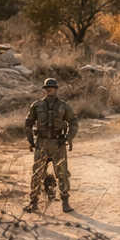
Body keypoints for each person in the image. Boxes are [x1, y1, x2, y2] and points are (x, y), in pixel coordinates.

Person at [24, 77, 77, 213]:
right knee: (37, 173)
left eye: (52, 88)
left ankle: (65, 201)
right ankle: (33, 201)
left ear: (56, 89)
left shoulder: (64, 106)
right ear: (45, 89)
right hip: (41, 143)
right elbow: (28, 123)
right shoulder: (37, 106)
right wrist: (30, 140)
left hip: (58, 144)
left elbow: (73, 122)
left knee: (62, 173)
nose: (50, 90)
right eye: (48, 88)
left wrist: (69, 137)